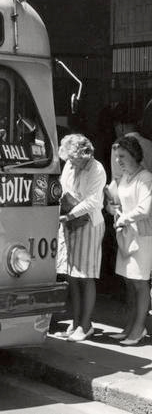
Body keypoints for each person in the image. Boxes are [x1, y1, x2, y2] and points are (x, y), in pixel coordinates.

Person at [55, 134, 106, 342]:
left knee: (85, 275)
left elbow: (93, 201)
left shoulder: (97, 169)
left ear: (83, 154)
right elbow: (63, 188)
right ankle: (76, 324)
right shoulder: (69, 165)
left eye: (73, 158)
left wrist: (69, 214)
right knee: (71, 276)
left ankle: (85, 326)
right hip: (70, 223)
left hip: (88, 225)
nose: (70, 163)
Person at [104, 135, 152, 345]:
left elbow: (144, 209)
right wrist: (111, 208)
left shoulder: (146, 178)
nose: (118, 161)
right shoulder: (124, 177)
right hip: (125, 235)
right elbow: (114, 202)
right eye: (116, 157)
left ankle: (138, 329)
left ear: (134, 155)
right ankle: (129, 327)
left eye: (122, 156)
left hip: (142, 236)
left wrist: (123, 217)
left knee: (140, 283)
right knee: (129, 282)